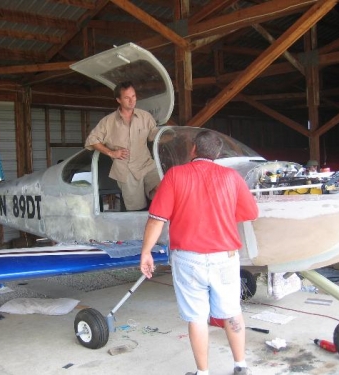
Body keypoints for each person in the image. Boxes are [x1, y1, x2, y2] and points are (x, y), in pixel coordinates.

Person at [140, 130, 259, 375]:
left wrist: (146, 252)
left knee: (196, 317)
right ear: (217, 153)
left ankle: (203, 372)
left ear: (193, 149)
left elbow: (156, 219)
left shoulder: (175, 175)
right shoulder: (231, 177)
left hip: (189, 259)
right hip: (225, 258)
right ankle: (240, 366)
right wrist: (223, 217)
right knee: (232, 312)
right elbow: (251, 213)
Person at [85, 81, 160, 211]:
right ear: (118, 100)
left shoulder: (146, 117)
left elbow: (154, 136)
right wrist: (111, 153)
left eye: (134, 96)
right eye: (127, 98)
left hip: (146, 164)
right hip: (126, 171)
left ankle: (159, 226)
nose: (132, 101)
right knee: (137, 209)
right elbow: (91, 140)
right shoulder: (108, 121)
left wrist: (170, 135)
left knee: (162, 192)